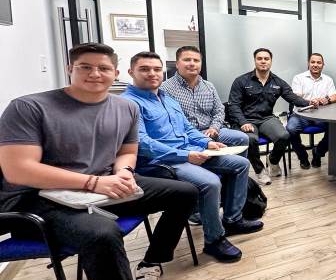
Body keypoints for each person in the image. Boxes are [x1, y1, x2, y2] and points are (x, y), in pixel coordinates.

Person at [0, 42, 199, 280]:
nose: (95, 74)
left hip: (102, 185)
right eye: (85, 67)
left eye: (104, 68)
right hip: (37, 199)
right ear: (69, 69)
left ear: (115, 73)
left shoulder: (124, 108)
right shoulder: (29, 107)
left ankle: (150, 264)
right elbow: (18, 169)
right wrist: (95, 182)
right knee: (103, 233)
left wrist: (123, 173)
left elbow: (127, 150)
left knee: (184, 192)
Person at [123, 52, 261, 264]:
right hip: (163, 162)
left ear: (163, 71)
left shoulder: (166, 98)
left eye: (157, 69)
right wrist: (186, 155)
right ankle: (214, 240)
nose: (152, 74)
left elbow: (187, 128)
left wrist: (206, 143)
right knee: (210, 182)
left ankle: (233, 219)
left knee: (241, 164)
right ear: (131, 72)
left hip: (188, 151)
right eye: (144, 69)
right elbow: (143, 144)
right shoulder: (129, 103)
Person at [162, 45, 249, 224]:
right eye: (187, 60)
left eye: (196, 60)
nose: (192, 64)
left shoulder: (208, 86)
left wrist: (215, 128)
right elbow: (175, 124)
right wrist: (202, 137)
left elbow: (219, 111)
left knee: (241, 138)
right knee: (208, 156)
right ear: (177, 63)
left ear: (201, 64)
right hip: (189, 135)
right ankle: (203, 198)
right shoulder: (166, 89)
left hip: (212, 130)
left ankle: (230, 187)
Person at [228, 48, 310, 185]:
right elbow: (233, 105)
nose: (263, 61)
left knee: (284, 135)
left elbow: (292, 98)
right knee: (251, 139)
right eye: (259, 58)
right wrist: (242, 122)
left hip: (266, 118)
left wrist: (310, 103)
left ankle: (272, 161)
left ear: (271, 61)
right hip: (247, 120)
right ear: (255, 61)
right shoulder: (241, 81)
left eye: (266, 59)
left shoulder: (278, 82)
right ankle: (260, 171)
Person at [287, 53, 336, 169]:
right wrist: (310, 101)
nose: (315, 65)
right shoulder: (299, 78)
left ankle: (318, 152)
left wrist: (326, 100)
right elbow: (296, 97)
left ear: (323, 65)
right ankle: (302, 156)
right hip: (301, 114)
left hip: (322, 116)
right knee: (290, 129)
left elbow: (334, 96)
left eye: (319, 62)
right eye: (313, 62)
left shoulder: (328, 80)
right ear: (308, 64)